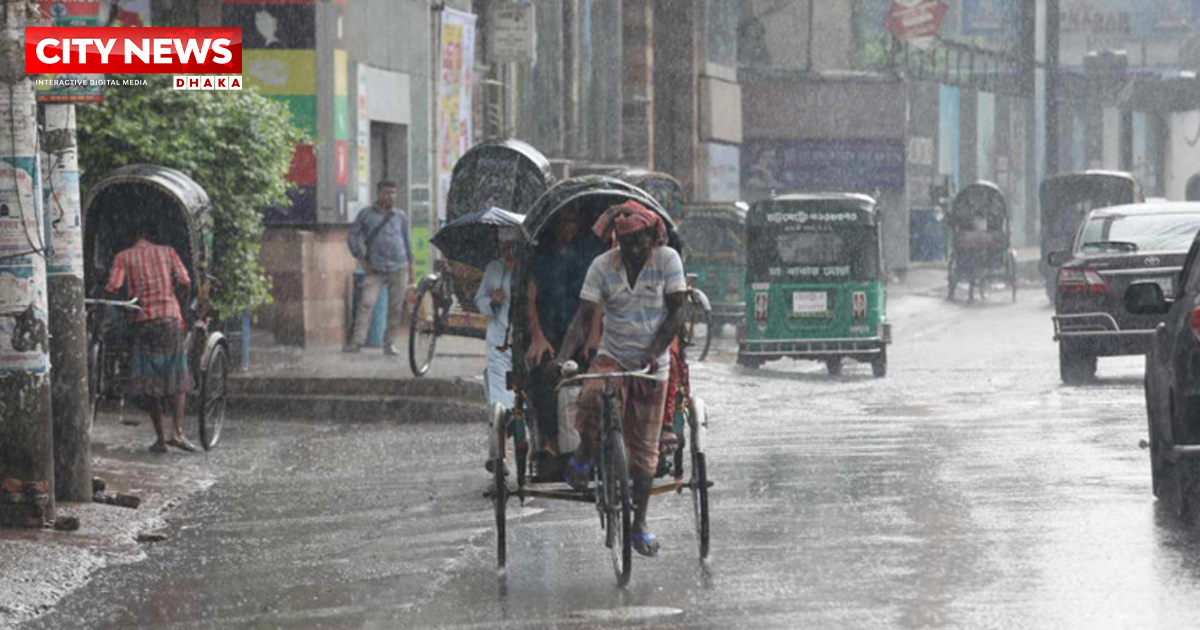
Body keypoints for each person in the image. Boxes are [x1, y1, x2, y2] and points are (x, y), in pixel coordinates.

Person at [552, 200, 688, 557]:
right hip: (612, 354)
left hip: (651, 362)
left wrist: (654, 350)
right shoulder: (602, 266)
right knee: (591, 395)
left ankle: (639, 523)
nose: (634, 249)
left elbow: (677, 312)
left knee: (645, 453)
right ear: (617, 241)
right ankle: (583, 453)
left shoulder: (668, 261)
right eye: (627, 243)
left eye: (641, 242)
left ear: (652, 238)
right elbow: (583, 317)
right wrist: (562, 356)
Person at [104, 223, 196, 454]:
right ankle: (177, 431)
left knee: (150, 380)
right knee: (176, 375)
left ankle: (161, 438)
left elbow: (113, 288)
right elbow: (185, 281)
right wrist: (180, 306)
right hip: (171, 319)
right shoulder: (167, 252)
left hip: (144, 323)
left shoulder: (124, 257)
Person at [524, 206, 607, 457]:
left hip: (584, 326)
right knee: (544, 372)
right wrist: (537, 337)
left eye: (572, 220)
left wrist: (592, 336)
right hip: (549, 329)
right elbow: (529, 299)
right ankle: (551, 440)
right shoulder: (541, 254)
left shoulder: (589, 253)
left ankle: (596, 438)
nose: (566, 227)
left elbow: (598, 298)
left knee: (596, 373)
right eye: (562, 222)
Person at [346, 180, 414, 355]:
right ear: (378, 194)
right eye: (387, 193)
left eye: (393, 193)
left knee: (395, 309)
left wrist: (411, 271)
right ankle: (357, 342)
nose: (390, 196)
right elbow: (353, 236)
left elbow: (407, 242)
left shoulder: (400, 216)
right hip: (374, 268)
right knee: (366, 305)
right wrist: (360, 258)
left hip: (398, 267)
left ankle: (389, 343)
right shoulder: (366, 215)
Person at [473, 229, 521, 408]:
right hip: (498, 337)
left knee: (520, 387)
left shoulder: (527, 267)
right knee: (499, 385)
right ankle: (502, 423)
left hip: (521, 338)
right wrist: (492, 302)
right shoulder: (493, 268)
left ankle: (520, 424)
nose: (508, 250)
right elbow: (479, 299)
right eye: (504, 245)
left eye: (512, 246)